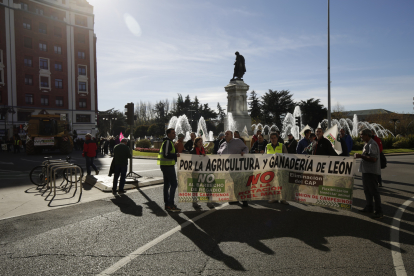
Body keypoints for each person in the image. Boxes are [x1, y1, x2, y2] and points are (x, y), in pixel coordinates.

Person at [355, 129, 383, 219]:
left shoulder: (372, 144)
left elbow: (374, 159)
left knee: (374, 191)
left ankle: (379, 211)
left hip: (371, 172)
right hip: (366, 171)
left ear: (367, 135)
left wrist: (360, 156)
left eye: (361, 135)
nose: (360, 136)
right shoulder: (367, 143)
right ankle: (369, 207)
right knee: (367, 191)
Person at [217, 130, 249, 207]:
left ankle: (244, 200)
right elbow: (218, 152)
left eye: (227, 134)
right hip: (228, 167)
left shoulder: (237, 141)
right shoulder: (223, 144)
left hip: (238, 166)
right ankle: (235, 198)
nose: (226, 135)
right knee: (233, 182)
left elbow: (246, 148)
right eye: (225, 134)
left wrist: (244, 152)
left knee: (240, 182)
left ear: (231, 135)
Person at [158, 128, 181, 212]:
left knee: (167, 185)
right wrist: (176, 155)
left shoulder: (168, 142)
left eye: (174, 133)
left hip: (166, 166)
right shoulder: (167, 142)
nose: (174, 134)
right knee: (174, 184)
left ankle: (167, 204)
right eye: (172, 133)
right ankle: (170, 204)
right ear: (168, 134)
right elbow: (167, 154)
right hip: (167, 166)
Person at [265, 133, 289, 205]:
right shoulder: (267, 146)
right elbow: (265, 157)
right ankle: (274, 198)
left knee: (282, 183)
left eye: (274, 138)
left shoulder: (282, 146)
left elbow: (286, 156)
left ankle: (283, 199)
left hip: (280, 168)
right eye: (271, 138)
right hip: (271, 168)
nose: (273, 139)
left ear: (277, 138)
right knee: (273, 183)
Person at [190, 137, 206, 209]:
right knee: (196, 186)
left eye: (201, 141)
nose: (200, 143)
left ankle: (208, 200)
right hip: (196, 170)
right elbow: (192, 161)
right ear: (195, 143)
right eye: (199, 142)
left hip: (203, 170)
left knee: (207, 185)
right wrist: (200, 157)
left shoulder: (203, 150)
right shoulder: (193, 150)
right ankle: (194, 202)